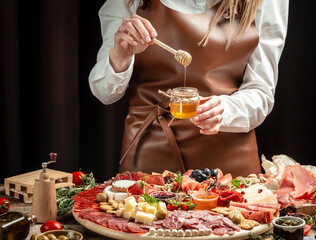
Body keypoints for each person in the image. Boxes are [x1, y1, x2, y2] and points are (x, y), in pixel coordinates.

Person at [89, 0, 289, 177]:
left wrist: (226, 110)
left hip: (230, 167)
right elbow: (105, 94)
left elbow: (261, 91)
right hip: (149, 160)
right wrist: (120, 55)